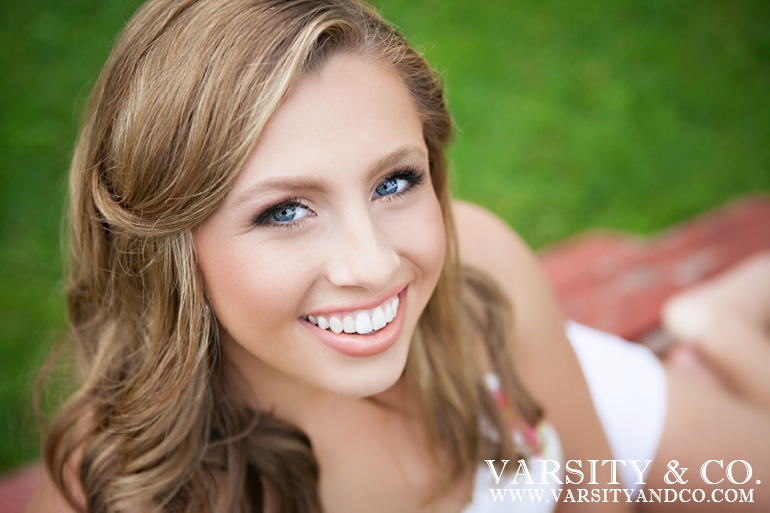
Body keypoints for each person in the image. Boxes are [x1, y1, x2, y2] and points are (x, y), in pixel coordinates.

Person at [27, 0, 770, 511]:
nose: (376, 264)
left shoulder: (480, 268)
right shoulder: (126, 479)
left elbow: (590, 492)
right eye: (285, 210)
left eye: (394, 181)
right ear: (167, 247)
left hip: (573, 404)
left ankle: (713, 329)